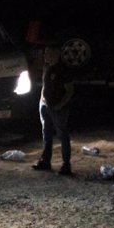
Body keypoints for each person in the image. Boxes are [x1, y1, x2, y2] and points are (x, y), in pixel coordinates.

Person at [32, 44, 75, 175]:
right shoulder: (47, 67)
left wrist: (60, 105)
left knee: (62, 135)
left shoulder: (63, 70)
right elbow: (45, 86)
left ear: (56, 54)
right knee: (47, 134)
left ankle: (66, 165)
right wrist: (42, 101)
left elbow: (70, 90)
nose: (45, 56)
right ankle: (45, 161)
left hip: (58, 108)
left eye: (47, 53)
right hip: (45, 105)